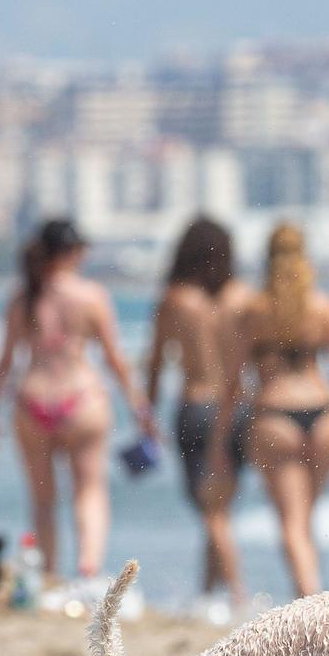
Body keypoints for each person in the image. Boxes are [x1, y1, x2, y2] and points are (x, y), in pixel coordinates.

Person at [0, 219, 152, 597]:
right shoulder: (91, 296)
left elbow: (4, 362)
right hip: (82, 400)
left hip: (33, 402)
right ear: (75, 252)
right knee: (89, 490)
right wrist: (140, 408)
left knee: (43, 500)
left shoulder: (23, 297)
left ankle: (49, 578)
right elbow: (115, 359)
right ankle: (87, 571)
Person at [221, 222, 329, 597]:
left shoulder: (253, 310)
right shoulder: (323, 307)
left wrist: (219, 437)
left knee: (292, 523)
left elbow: (233, 381)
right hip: (323, 416)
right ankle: (310, 597)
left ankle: (308, 601)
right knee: (304, 520)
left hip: (275, 417)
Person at [144, 216, 253, 617]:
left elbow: (156, 363)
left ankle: (239, 595)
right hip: (240, 408)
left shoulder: (175, 300)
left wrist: (147, 414)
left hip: (196, 406)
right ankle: (208, 595)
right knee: (220, 505)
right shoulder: (243, 298)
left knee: (211, 510)